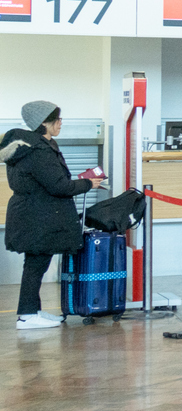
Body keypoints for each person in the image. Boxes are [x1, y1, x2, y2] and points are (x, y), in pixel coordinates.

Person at [4, 101, 100, 330]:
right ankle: (27, 315)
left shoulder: (34, 145)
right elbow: (59, 186)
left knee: (37, 263)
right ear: (44, 123)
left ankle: (32, 311)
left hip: (36, 213)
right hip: (37, 216)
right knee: (35, 264)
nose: (60, 123)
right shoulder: (37, 151)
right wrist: (88, 183)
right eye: (57, 120)